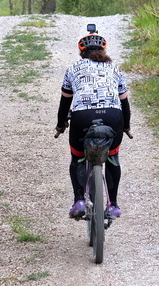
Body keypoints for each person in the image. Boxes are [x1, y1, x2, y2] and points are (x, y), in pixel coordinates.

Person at [55, 24, 131, 219]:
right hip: (113, 116)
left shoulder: (73, 68)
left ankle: (79, 200)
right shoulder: (115, 69)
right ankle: (113, 205)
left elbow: (65, 101)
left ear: (82, 51)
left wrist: (61, 124)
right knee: (113, 158)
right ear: (103, 49)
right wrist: (126, 126)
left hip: (82, 118)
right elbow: (125, 103)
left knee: (78, 157)